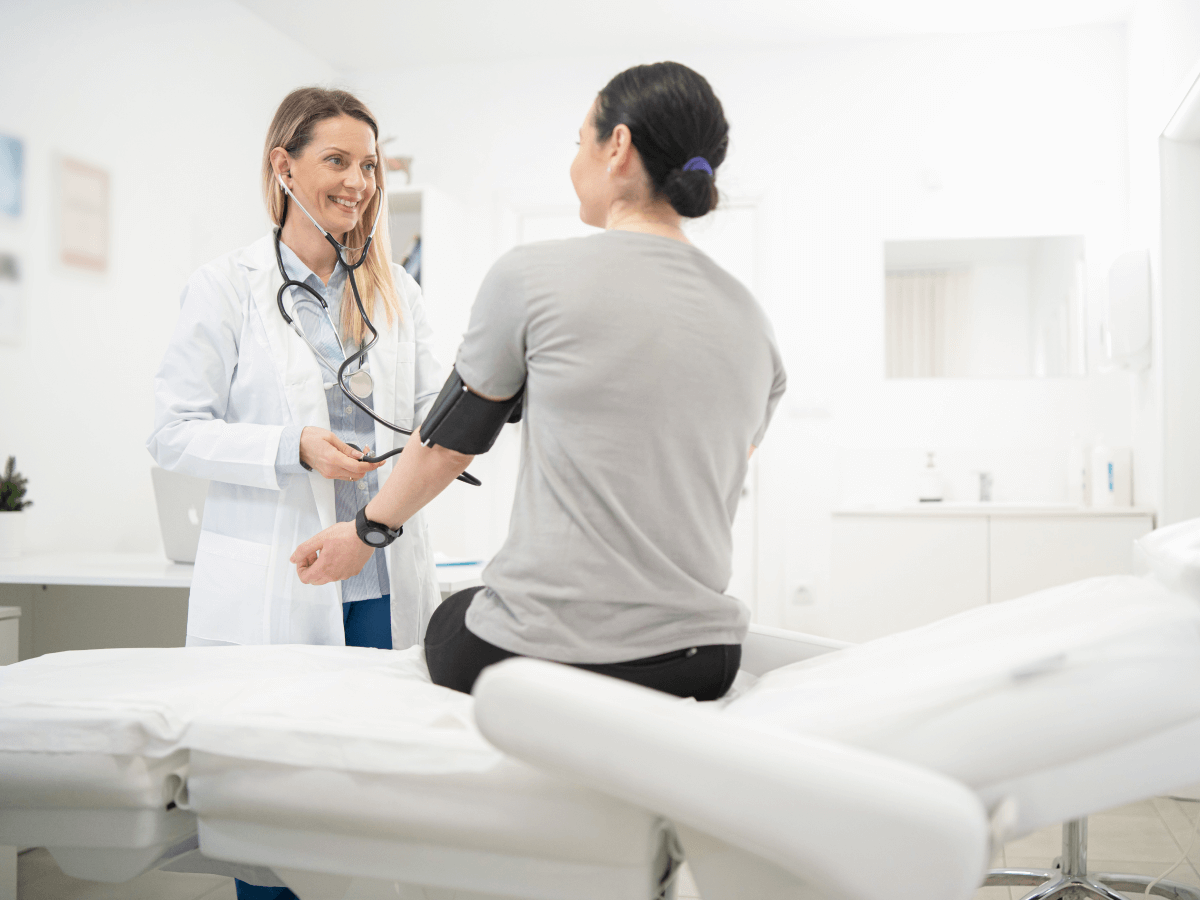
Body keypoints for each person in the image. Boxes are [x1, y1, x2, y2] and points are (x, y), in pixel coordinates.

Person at [291, 62, 787, 702]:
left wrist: (364, 533)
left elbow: (448, 445)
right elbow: (713, 459)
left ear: (618, 147)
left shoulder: (531, 276)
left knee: (452, 619)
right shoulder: (752, 322)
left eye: (580, 141)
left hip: (548, 649)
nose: (575, 160)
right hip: (701, 658)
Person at [148, 87, 444, 656]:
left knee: (380, 736)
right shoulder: (226, 287)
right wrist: (293, 447)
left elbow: (435, 412)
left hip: (382, 576)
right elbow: (173, 431)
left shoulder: (396, 291)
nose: (358, 182)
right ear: (283, 165)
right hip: (280, 579)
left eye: (368, 165)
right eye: (337, 161)